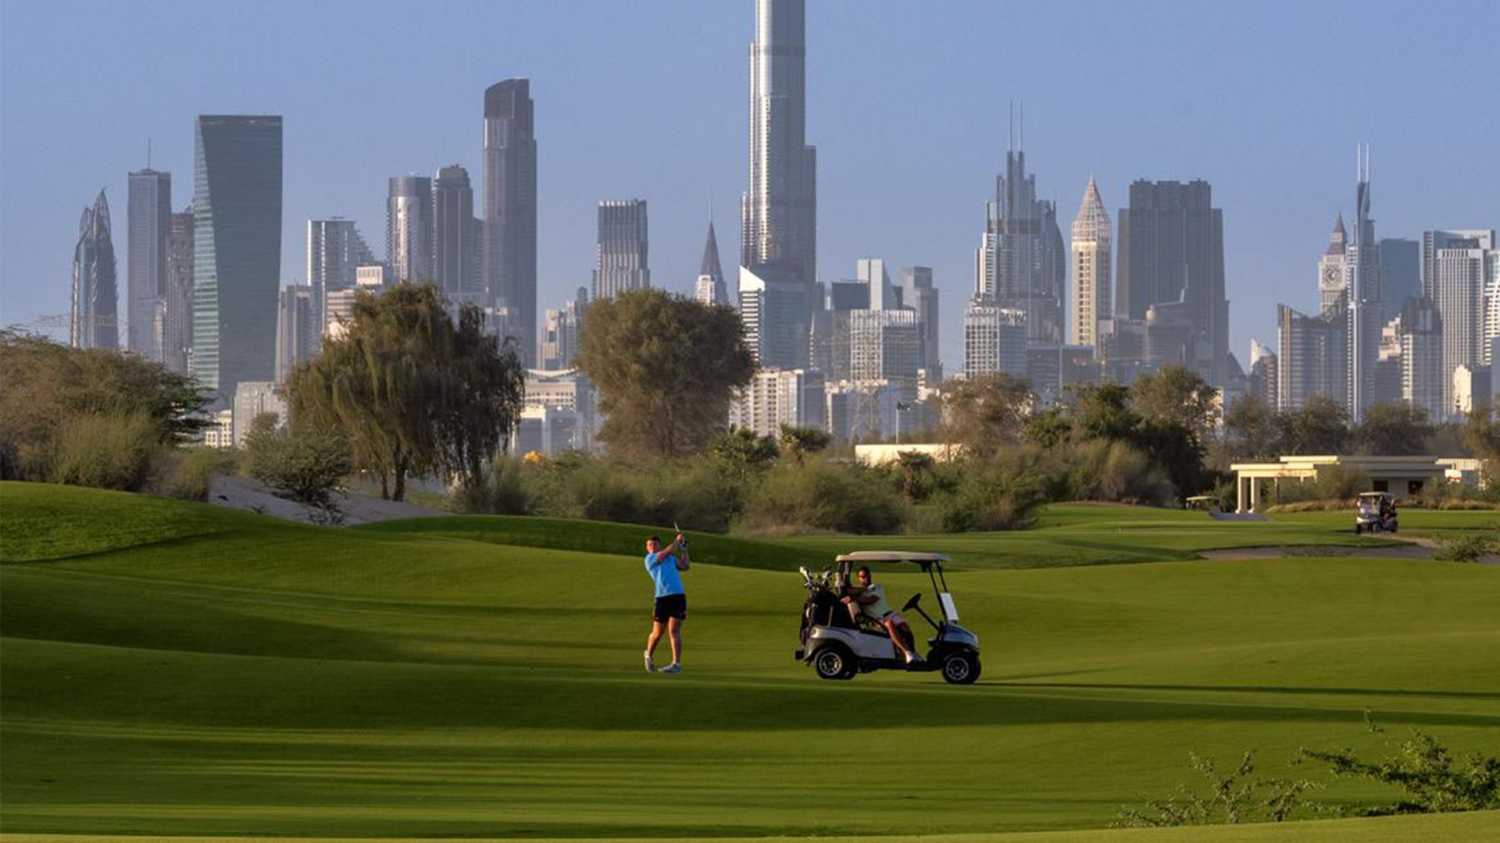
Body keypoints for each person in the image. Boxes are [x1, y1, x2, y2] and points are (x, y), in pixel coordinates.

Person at [841, 566, 921, 664]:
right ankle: (906, 652)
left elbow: (871, 600)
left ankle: (913, 652)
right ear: (859, 578)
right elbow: (848, 590)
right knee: (889, 623)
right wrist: (847, 592)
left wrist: (854, 597)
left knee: (905, 627)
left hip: (889, 614)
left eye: (867, 575)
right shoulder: (859, 592)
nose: (866, 578)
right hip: (877, 619)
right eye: (863, 577)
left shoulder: (877, 587)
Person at [643, 533, 689, 674]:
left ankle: (676, 664)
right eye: (650, 545)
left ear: (659, 545)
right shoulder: (650, 559)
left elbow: (685, 566)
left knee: (674, 631)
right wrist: (677, 541)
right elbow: (666, 552)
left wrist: (683, 549)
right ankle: (648, 655)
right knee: (658, 633)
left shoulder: (670, 558)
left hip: (678, 596)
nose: (653, 546)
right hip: (662, 598)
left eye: (655, 544)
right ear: (647, 548)